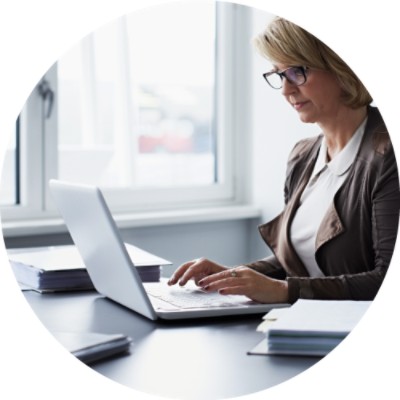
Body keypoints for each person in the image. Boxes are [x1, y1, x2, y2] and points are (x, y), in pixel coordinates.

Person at [168, 17, 400, 304]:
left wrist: (284, 291)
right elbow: (296, 263)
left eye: (297, 72)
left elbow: (388, 280)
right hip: (309, 320)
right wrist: (233, 276)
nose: (286, 90)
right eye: (279, 75)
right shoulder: (303, 156)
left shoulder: (387, 155)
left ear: (341, 66)